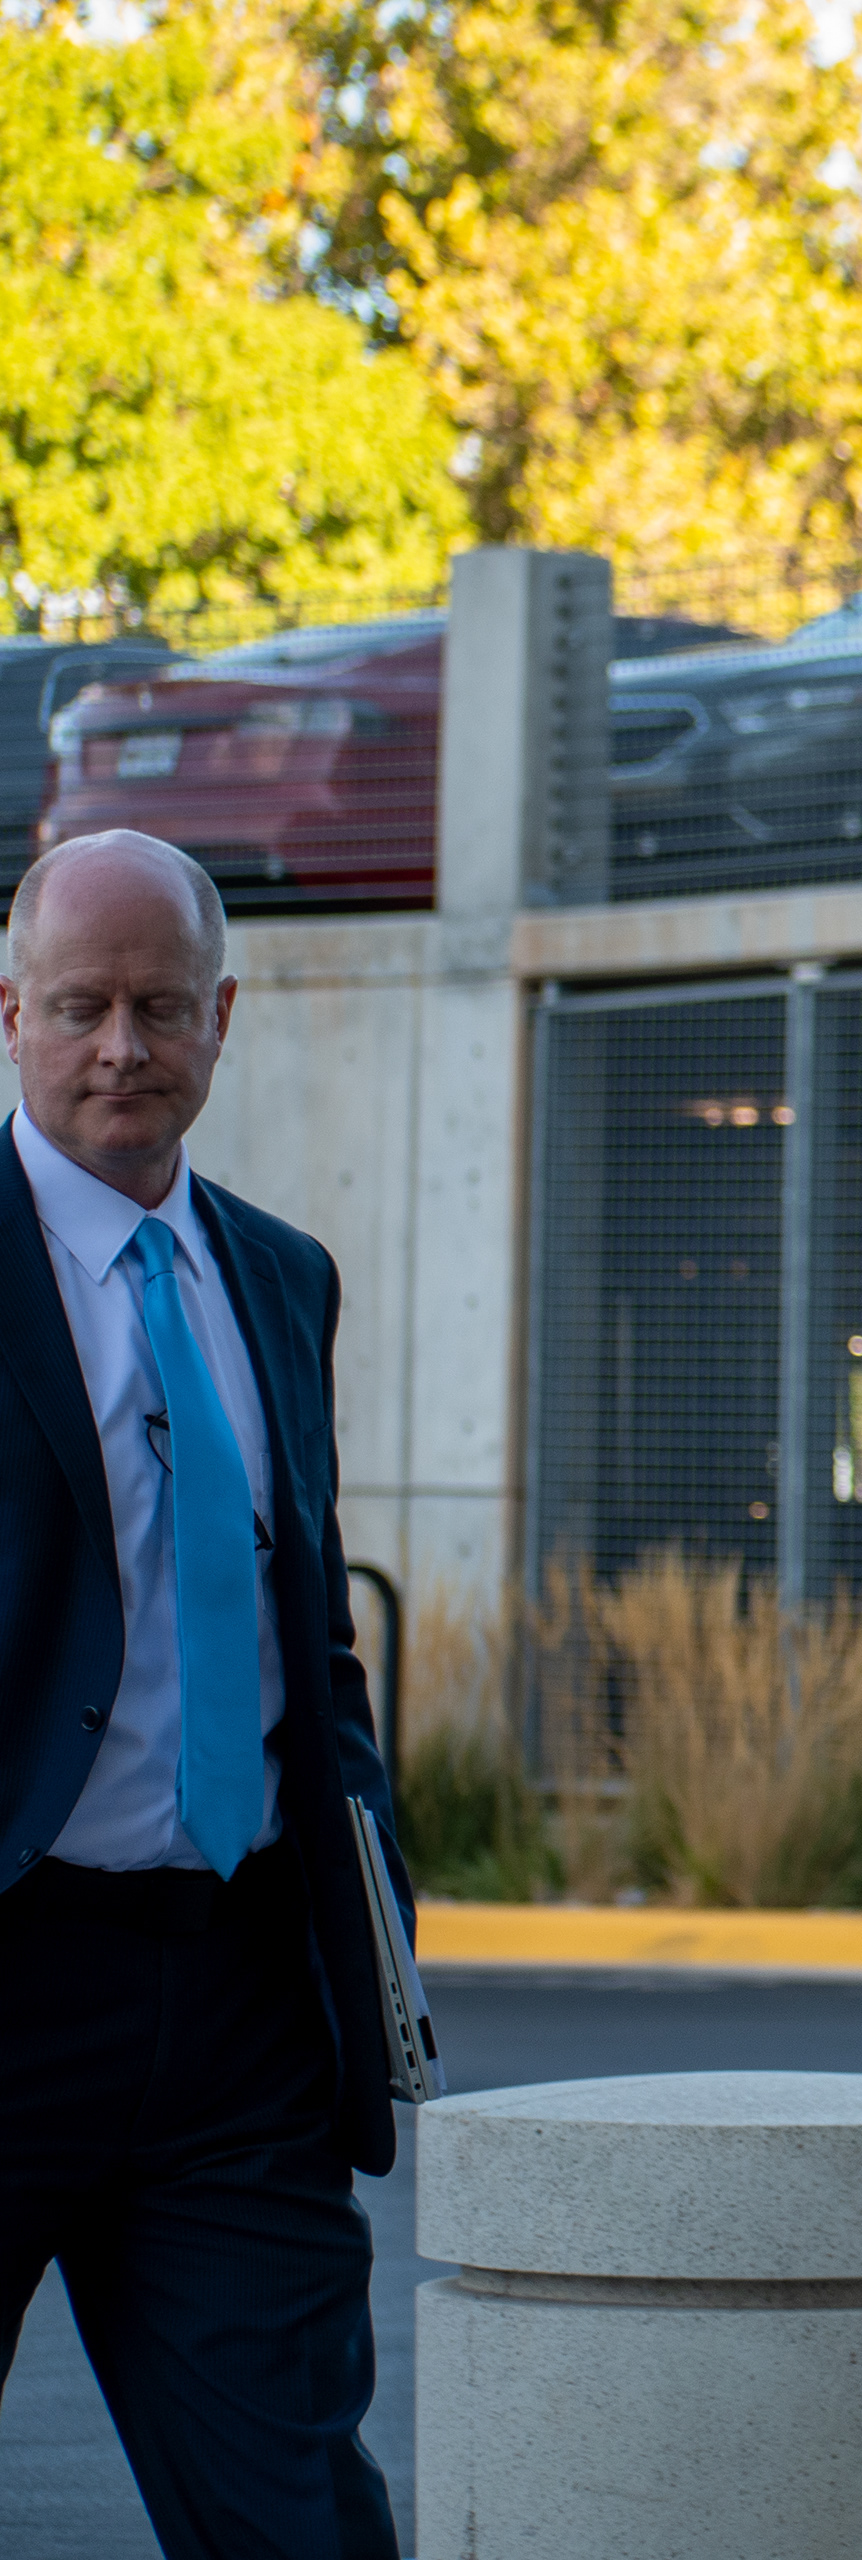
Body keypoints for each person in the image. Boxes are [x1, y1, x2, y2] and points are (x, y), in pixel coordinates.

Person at [0, 831, 409, 2560]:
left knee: (299, 2515)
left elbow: (312, 1646)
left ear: (223, 1017)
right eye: (80, 1008)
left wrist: (372, 1929)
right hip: (7, 1976)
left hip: (237, 2008)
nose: (121, 1049)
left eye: (160, 1008)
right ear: (8, 1013)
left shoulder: (281, 1277)